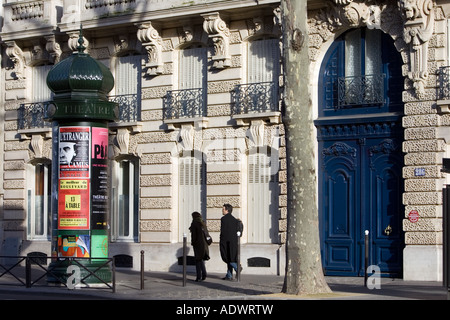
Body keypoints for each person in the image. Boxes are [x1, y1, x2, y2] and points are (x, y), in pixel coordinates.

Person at [219, 203, 243, 280]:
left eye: (223, 209)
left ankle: (237, 268)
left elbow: (223, 232)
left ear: (227, 210)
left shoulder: (224, 219)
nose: (222, 211)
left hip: (226, 242)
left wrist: (221, 241)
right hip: (234, 242)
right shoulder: (235, 220)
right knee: (231, 257)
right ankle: (229, 275)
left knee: (227, 257)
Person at [189, 211, 209, 282]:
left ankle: (199, 277)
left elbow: (194, 236)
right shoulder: (202, 223)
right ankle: (204, 274)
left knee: (198, 260)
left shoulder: (194, 224)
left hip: (197, 244)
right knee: (201, 260)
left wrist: (193, 243)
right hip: (204, 244)